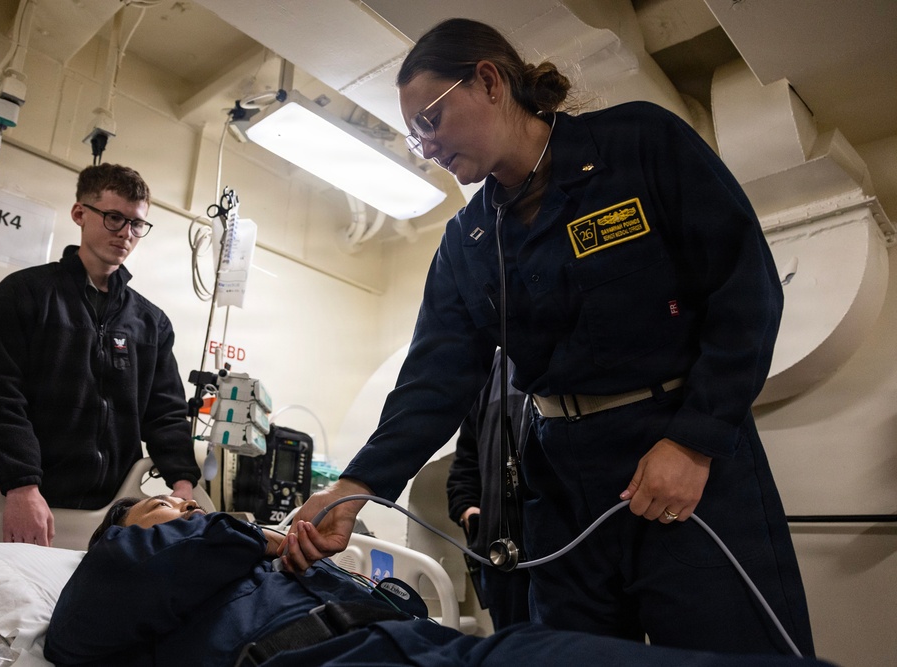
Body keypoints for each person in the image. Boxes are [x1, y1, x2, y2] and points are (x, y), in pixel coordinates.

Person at [281, 17, 816, 659]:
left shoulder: (639, 144)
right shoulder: (468, 241)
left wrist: (694, 441)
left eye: (429, 120)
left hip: (678, 455)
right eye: (414, 133)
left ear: (487, 81)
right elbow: (435, 380)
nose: (424, 146)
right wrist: (356, 487)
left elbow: (745, 289)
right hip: (558, 475)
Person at [44, 495, 834, 666]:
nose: (185, 502)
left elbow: (400, 604)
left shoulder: (245, 558)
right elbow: (76, 638)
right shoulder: (109, 577)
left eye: (187, 499)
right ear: (120, 534)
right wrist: (244, 532)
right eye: (162, 504)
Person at [0, 163, 200, 547]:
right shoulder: (25, 294)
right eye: (113, 218)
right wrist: (22, 486)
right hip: (21, 496)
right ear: (80, 213)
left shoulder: (151, 323)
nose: (126, 233)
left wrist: (183, 484)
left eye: (137, 224)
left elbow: (166, 411)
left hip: (110, 510)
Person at [446, 349, 530, 629]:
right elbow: (466, 459)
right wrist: (469, 513)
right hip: (503, 558)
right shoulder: (491, 369)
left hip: (564, 558)